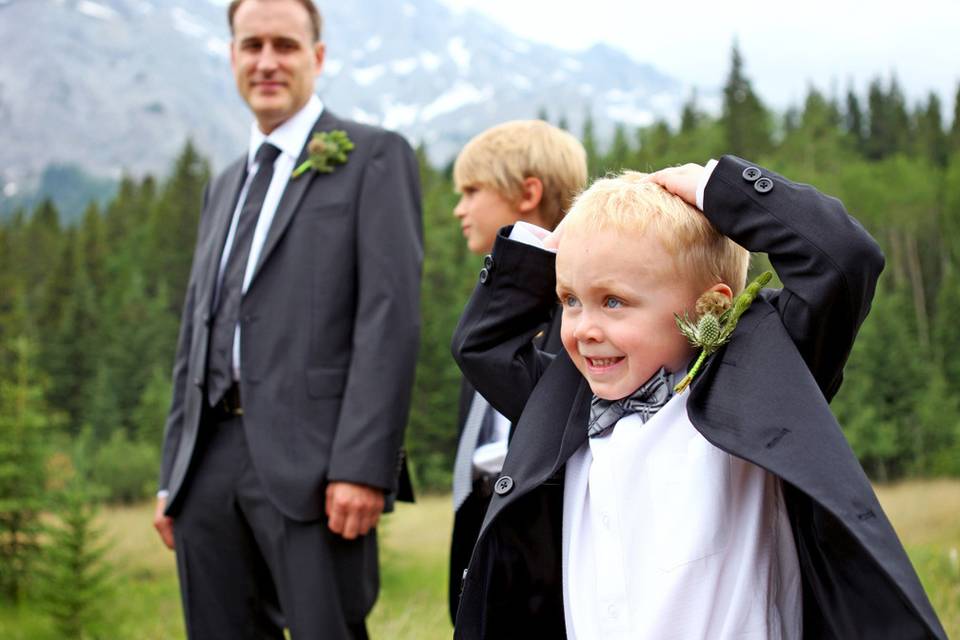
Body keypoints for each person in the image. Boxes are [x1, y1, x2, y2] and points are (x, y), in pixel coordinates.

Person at [451, 157, 946, 638]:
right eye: (570, 301)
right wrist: (542, 250)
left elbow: (843, 258)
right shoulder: (565, 405)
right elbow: (483, 347)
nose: (584, 329)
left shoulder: (757, 380)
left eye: (614, 301)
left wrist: (718, 188)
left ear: (711, 305)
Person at [152, 0, 422, 637]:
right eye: (251, 46)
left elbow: (390, 320)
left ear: (317, 57)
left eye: (285, 45)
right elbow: (197, 331)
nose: (267, 62)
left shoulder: (372, 157)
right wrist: (173, 473)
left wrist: (362, 466)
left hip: (316, 467)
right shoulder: (224, 184)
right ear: (232, 57)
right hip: (207, 464)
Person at [448, 120, 586, 622]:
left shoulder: (577, 318)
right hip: (485, 538)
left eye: (471, 191)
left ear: (528, 192)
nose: (459, 208)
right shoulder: (491, 309)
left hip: (544, 561)